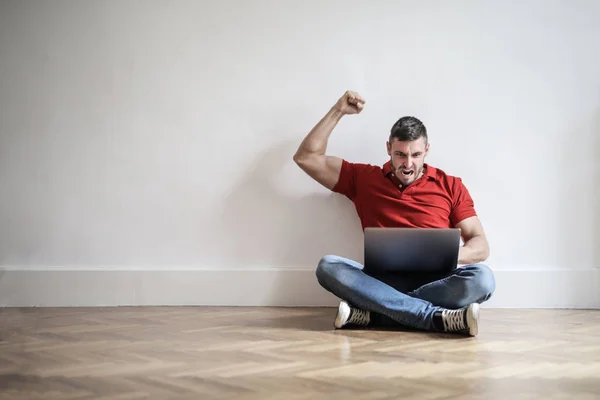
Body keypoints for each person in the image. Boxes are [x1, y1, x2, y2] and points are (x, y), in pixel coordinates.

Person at [293, 90, 495, 336]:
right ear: (389, 148)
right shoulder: (363, 178)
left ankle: (378, 312)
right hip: (380, 282)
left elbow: (480, 245)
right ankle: (434, 317)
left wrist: (450, 256)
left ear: (427, 151)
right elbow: (306, 157)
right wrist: (338, 110)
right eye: (400, 154)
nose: (407, 164)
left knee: (482, 279)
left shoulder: (450, 185)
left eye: (415, 155)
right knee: (328, 267)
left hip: (436, 282)